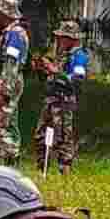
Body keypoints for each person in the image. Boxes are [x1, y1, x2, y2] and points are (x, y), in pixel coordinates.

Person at [31, 19, 89, 174]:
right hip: (51, 99)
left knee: (64, 137)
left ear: (72, 39)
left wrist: (55, 71)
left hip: (64, 102)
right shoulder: (60, 55)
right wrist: (42, 69)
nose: (59, 40)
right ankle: (41, 168)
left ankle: (65, 171)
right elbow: (51, 76)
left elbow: (76, 81)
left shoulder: (79, 57)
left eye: (62, 37)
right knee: (41, 134)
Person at [0, 0, 30, 166]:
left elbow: (12, 63)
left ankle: (12, 153)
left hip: (7, 80)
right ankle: (9, 162)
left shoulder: (15, 33)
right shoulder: (13, 32)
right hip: (7, 78)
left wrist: (4, 90)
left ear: (6, 14)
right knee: (8, 123)